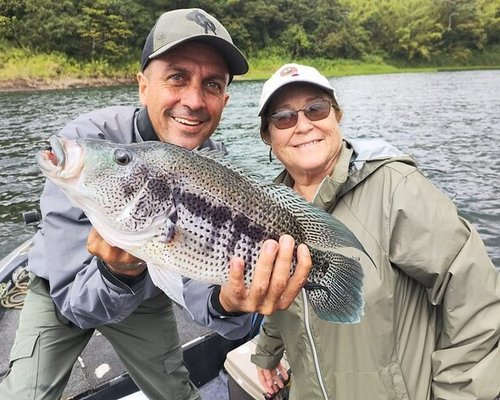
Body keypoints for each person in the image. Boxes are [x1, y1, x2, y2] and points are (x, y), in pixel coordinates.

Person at [0, 10, 312, 400]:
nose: (194, 101)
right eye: (177, 77)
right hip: (61, 291)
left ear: (225, 100)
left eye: (211, 84)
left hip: (143, 298)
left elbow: (196, 280)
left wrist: (228, 303)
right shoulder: (87, 140)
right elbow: (75, 303)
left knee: (177, 393)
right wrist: (114, 274)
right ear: (143, 85)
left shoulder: (212, 166)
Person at [247, 63, 500, 400]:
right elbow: (283, 292)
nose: (303, 125)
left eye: (315, 109)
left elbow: (476, 297)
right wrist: (267, 349)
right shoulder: (265, 210)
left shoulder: (395, 188)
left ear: (337, 115)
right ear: (268, 135)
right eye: (284, 117)